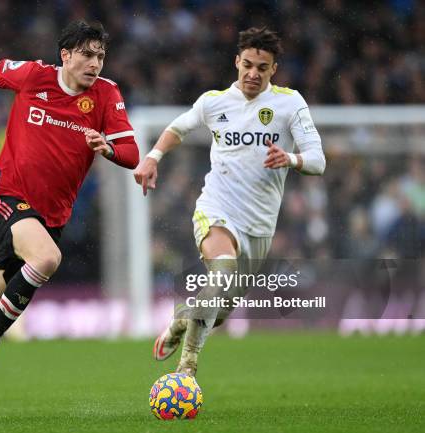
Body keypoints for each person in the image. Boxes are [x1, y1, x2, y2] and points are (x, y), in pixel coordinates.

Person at [0, 20, 139, 403]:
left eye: (100, 56)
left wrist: (107, 147)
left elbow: (131, 154)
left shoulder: (106, 94)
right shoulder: (33, 75)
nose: (95, 63)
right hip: (6, 198)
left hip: (51, 218)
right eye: (86, 54)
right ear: (65, 56)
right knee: (48, 258)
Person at [133, 27, 325, 376]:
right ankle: (187, 367)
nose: (253, 73)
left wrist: (291, 159)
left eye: (262, 68)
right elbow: (178, 128)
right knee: (221, 275)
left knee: (218, 311)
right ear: (237, 62)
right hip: (216, 209)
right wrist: (153, 157)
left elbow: (318, 160)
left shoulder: (290, 103)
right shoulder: (214, 102)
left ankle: (181, 321)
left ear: (273, 70)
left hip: (259, 226)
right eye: (247, 64)